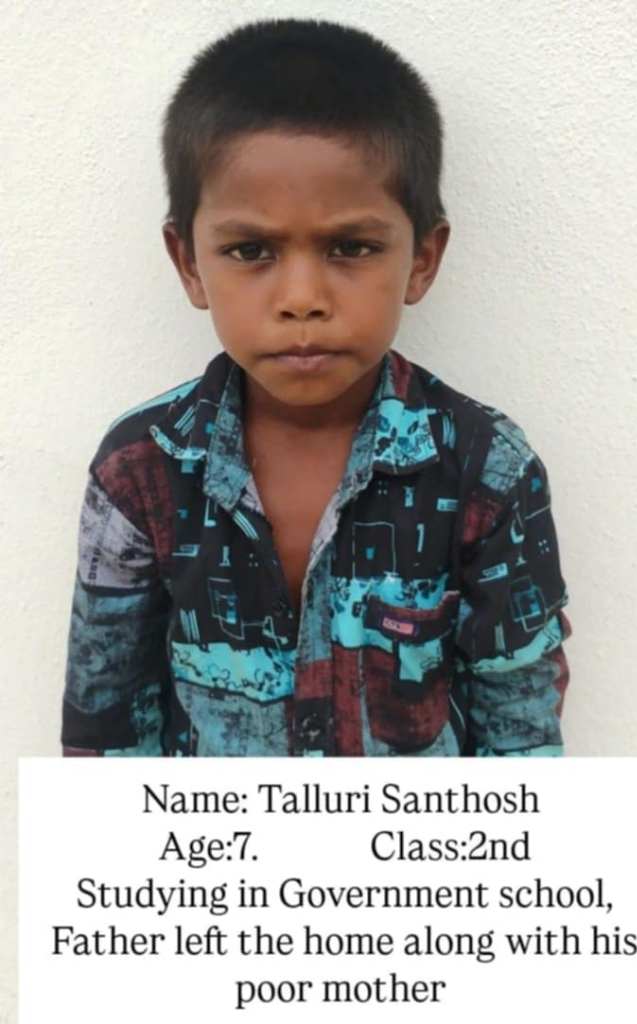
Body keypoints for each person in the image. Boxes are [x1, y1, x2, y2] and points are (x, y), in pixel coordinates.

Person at [62, 17, 570, 758]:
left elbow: (521, 739)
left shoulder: (487, 469)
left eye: (350, 247)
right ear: (190, 264)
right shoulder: (139, 468)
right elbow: (103, 724)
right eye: (251, 250)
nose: (302, 298)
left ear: (422, 259)